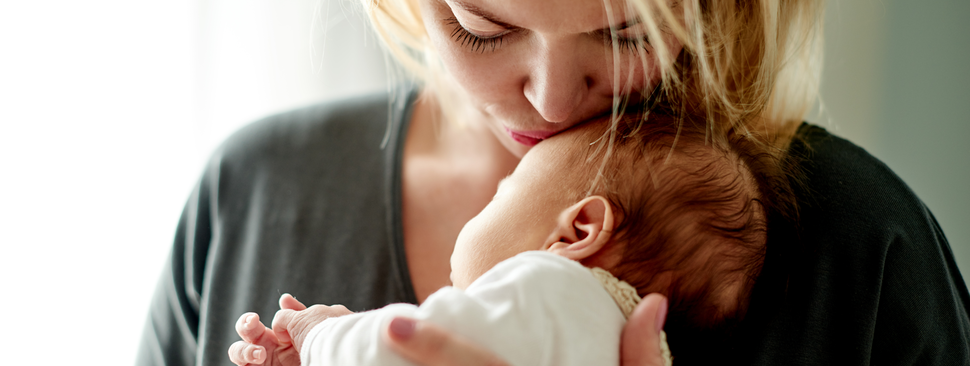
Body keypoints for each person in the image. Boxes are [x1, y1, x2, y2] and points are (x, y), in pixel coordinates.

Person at [137, 0, 970, 364]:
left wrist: (321, 338)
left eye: (624, 32)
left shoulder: (863, 252)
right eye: (483, 27)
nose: (549, 96)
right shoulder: (251, 190)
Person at [226, 115, 780, 366]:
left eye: (505, 191)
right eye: (485, 28)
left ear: (577, 231)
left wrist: (323, 333)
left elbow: (400, 345)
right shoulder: (610, 343)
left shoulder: (552, 286)